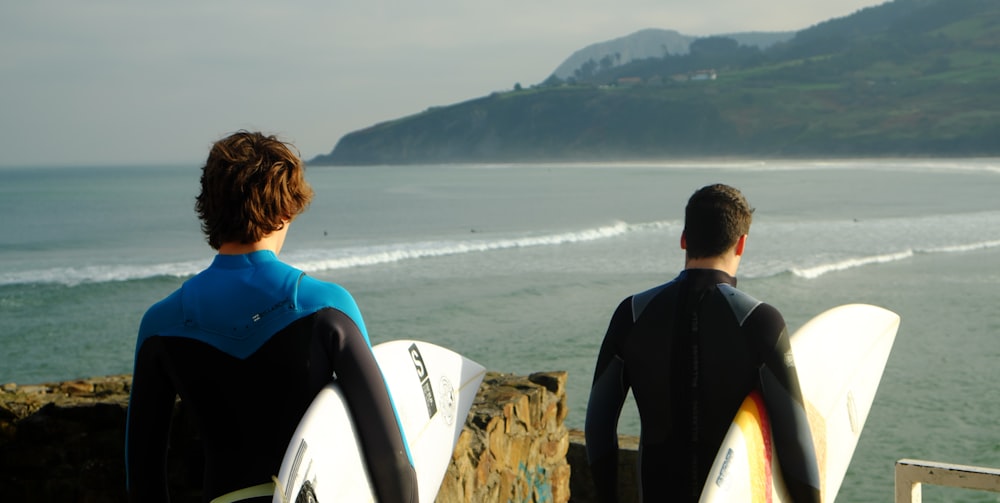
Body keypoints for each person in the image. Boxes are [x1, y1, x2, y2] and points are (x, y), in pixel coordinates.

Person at [125, 131, 418, 503]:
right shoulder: (326, 307)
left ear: (210, 210)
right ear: (284, 212)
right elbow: (391, 459)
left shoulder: (160, 323)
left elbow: (143, 477)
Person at [584, 184, 820, 502]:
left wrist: (608, 497)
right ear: (742, 244)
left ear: (683, 239)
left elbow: (598, 428)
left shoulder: (632, 314)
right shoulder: (761, 322)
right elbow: (794, 441)